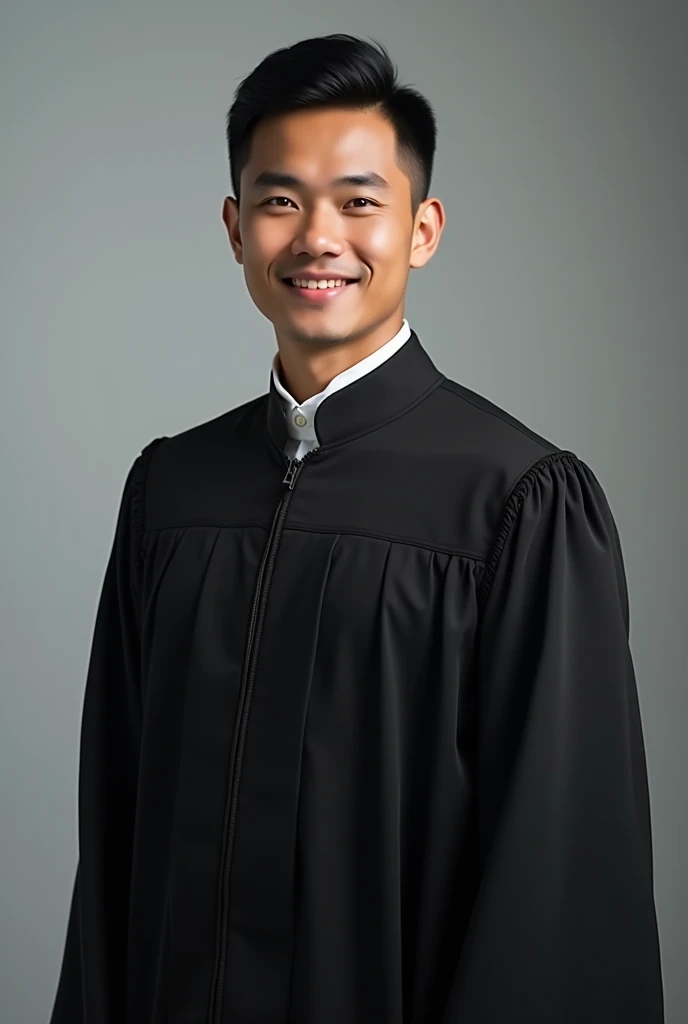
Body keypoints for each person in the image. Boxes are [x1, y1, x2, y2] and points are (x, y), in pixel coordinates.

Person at [48, 32, 664, 1024]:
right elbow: (113, 844)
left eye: (359, 202)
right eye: (280, 199)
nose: (316, 237)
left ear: (422, 229)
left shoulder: (518, 502)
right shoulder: (170, 492)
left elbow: (555, 890)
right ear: (234, 226)